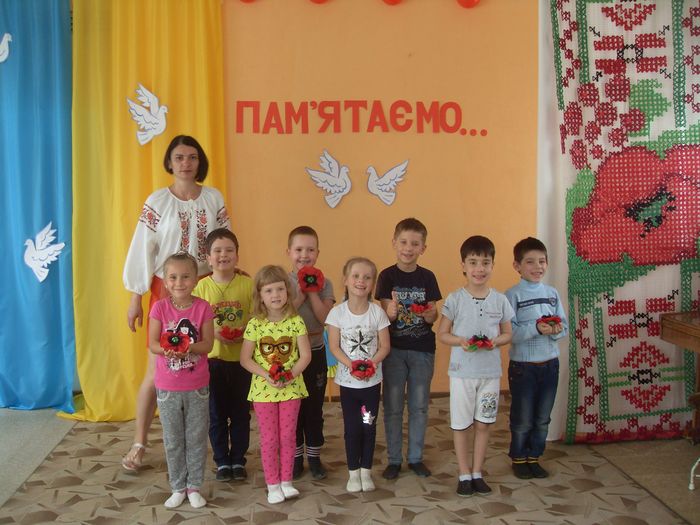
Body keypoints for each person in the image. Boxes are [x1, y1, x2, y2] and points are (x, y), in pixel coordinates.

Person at [122, 135, 230, 472]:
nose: (186, 163)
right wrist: (136, 297)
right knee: (157, 369)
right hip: (166, 290)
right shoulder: (157, 201)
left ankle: (212, 447)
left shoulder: (213, 198)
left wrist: (227, 279)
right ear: (169, 162)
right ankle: (139, 443)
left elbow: (223, 242)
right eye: (180, 157)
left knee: (207, 364)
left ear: (200, 162)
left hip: (206, 287)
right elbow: (142, 249)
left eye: (192, 157)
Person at [438, 235, 514, 498]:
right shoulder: (455, 299)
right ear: (463, 265)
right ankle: (463, 474)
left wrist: (495, 342)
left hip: (490, 375)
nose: (479, 269)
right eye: (473, 262)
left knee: (484, 424)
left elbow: (508, 333)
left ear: (493, 265)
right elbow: (442, 334)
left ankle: (477, 472)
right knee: (461, 425)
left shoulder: (500, 300)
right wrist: (460, 341)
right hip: (462, 374)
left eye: (485, 262)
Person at [375, 218, 441, 480]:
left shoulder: (428, 277)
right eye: (403, 242)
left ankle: (415, 458)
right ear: (394, 243)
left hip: (422, 350)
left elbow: (433, 314)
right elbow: (383, 315)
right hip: (392, 350)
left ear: (423, 248)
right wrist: (389, 312)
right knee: (392, 406)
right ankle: (394, 459)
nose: (408, 248)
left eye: (415, 244)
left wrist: (430, 315)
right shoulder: (386, 276)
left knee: (419, 406)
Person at [240, 265, 312, 504]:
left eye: (280, 289)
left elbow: (305, 356)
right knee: (270, 438)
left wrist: (289, 375)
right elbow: (245, 359)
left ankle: (286, 482)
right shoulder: (255, 324)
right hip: (263, 391)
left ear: (287, 292)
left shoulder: (296, 321)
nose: (275, 295)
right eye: (269, 290)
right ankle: (273, 484)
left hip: (291, 388)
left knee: (288, 436)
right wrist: (266, 375)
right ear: (260, 295)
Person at [148, 252, 214, 509]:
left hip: (197, 386)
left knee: (196, 437)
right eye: (173, 277)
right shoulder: (159, 308)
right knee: (173, 439)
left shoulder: (203, 308)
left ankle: (194, 486)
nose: (179, 283)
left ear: (196, 279)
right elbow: (154, 343)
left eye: (186, 277)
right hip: (167, 387)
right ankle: (177, 486)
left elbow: (208, 344)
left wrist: (189, 347)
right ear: (165, 281)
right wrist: (167, 350)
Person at [504, 237, 568, 480]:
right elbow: (510, 333)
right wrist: (536, 328)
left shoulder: (552, 294)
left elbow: (564, 326)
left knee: (542, 418)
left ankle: (534, 457)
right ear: (517, 266)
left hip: (550, 365)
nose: (537, 266)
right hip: (523, 368)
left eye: (542, 261)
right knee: (523, 418)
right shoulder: (512, 295)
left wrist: (556, 330)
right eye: (530, 261)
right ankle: (519, 458)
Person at [326, 257, 391, 493]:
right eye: (355, 276)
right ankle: (353, 472)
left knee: (368, 426)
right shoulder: (337, 314)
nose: (361, 281)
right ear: (345, 280)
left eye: (367, 277)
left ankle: (366, 471)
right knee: (352, 429)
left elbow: (385, 346)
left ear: (373, 283)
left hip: (371, 385)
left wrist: (370, 365)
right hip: (348, 385)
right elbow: (334, 347)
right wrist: (352, 366)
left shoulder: (377, 313)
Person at [193, 229, 253, 482]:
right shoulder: (201, 288)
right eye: (217, 251)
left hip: (242, 361)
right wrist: (214, 332)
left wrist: (244, 330)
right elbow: (194, 323)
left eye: (229, 250)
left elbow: (257, 316)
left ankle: (238, 459)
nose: (223, 255)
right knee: (216, 415)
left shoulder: (248, 285)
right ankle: (222, 461)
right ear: (208, 257)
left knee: (240, 414)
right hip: (213, 362)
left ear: (237, 255)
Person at [286, 226, 335, 480]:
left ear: (318, 253)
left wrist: (313, 291)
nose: (304, 255)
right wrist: (300, 294)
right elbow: (281, 316)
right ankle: (295, 457)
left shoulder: (326, 283)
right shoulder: (283, 282)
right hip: (289, 354)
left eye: (310, 250)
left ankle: (314, 456)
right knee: (293, 407)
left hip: (315, 350)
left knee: (314, 408)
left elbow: (325, 318)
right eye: (298, 249)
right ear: (288, 252)